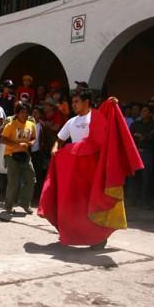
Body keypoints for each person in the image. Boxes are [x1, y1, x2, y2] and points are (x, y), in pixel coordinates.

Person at [39, 91, 142, 250]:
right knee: (76, 203)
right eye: (72, 102)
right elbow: (59, 139)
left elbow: (109, 122)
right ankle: (76, 233)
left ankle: (98, 238)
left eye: (76, 102)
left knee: (94, 201)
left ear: (86, 102)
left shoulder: (96, 117)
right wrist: (54, 150)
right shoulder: (71, 121)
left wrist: (112, 103)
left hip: (93, 168)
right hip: (75, 168)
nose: (73, 105)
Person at [1, 102, 37, 214]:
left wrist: (29, 144)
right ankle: (8, 206)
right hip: (11, 155)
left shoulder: (31, 125)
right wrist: (16, 145)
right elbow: (3, 139)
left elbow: (34, 138)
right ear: (17, 113)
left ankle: (25, 203)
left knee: (31, 179)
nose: (25, 114)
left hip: (25, 155)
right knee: (14, 182)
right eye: (22, 112)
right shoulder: (10, 125)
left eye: (27, 112)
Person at [129, 105, 154, 207]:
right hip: (135, 152)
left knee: (146, 177)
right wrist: (140, 136)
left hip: (147, 153)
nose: (142, 112)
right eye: (142, 110)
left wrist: (141, 136)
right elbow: (130, 136)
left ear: (150, 113)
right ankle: (134, 199)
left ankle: (145, 200)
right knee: (134, 176)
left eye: (145, 111)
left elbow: (149, 137)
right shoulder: (135, 124)